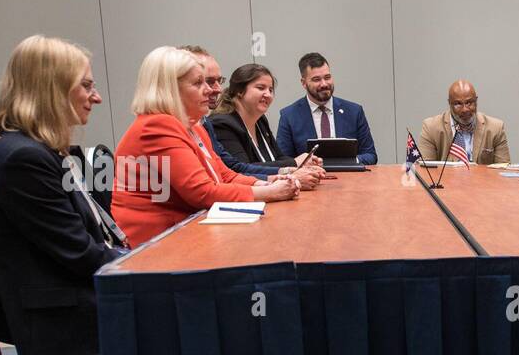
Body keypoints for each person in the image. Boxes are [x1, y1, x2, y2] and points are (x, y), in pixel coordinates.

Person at [0, 35, 127, 355]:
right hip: (62, 322)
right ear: (52, 89)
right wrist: (147, 265)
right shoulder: (22, 160)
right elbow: (80, 253)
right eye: (86, 86)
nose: (96, 97)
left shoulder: (37, 152)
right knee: (192, 310)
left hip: (73, 301)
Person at [112, 47, 297, 245]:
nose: (210, 90)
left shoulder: (194, 127)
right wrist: (270, 193)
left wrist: (266, 183)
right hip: (154, 243)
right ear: (171, 88)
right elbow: (202, 193)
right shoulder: (157, 126)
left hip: (185, 230)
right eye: (198, 83)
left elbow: (224, 175)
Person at [179, 46, 322, 187]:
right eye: (261, 88)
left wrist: (293, 169)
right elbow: (235, 171)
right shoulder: (220, 123)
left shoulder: (258, 120)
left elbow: (230, 172)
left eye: (271, 90)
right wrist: (289, 171)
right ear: (240, 91)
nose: (217, 89)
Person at [276, 52, 377, 163]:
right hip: (309, 178)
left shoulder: (354, 112)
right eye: (316, 79)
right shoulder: (289, 116)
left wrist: (349, 161)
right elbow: (283, 161)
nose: (324, 84)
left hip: (350, 177)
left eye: (327, 77)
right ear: (304, 83)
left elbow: (371, 155)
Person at [418, 80, 510, 164]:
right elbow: (426, 171)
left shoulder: (495, 128)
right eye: (458, 104)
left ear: (476, 101)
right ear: (449, 103)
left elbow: (503, 170)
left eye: (469, 102)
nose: (465, 109)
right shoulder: (431, 128)